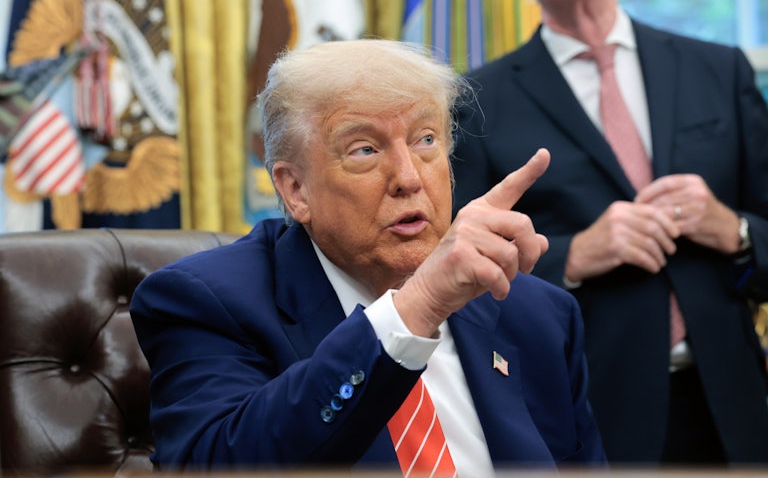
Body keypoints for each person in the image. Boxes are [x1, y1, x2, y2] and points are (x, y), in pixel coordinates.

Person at [130, 38, 606, 474]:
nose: (409, 177)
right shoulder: (207, 302)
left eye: (426, 140)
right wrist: (416, 308)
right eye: (364, 149)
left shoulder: (536, 313)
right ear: (295, 190)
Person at [450, 0, 768, 466]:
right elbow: (457, 274)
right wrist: (572, 256)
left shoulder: (719, 68)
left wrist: (738, 231)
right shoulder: (477, 103)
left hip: (734, 405)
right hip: (587, 409)